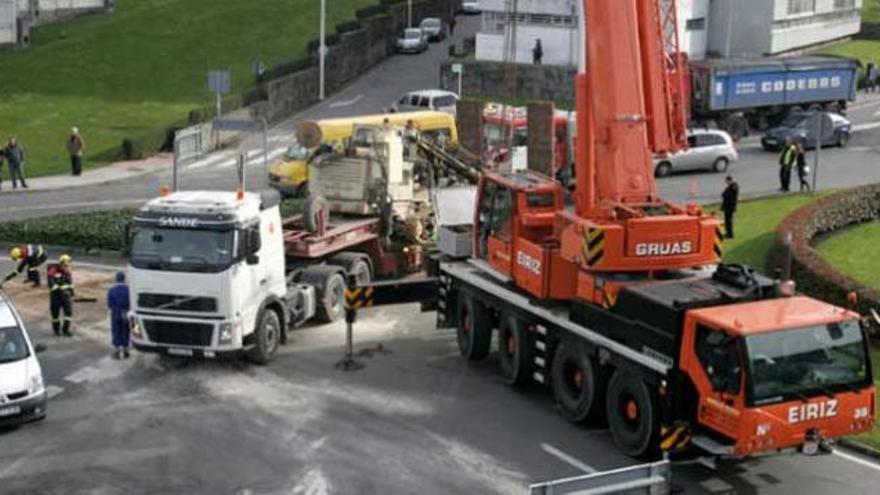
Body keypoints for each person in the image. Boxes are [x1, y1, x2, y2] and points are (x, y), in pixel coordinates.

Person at [47, 254, 75, 337]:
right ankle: (56, 330)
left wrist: (72, 293)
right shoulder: (53, 270)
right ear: (61, 264)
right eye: (65, 265)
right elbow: (51, 284)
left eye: (68, 265)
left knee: (68, 314)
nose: (66, 267)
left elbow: (70, 284)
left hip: (66, 297)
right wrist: (60, 290)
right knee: (55, 315)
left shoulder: (68, 272)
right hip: (55, 297)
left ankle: (65, 330)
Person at [107, 271, 131, 359]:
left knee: (116, 331)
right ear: (124, 279)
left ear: (116, 279)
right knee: (126, 331)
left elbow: (109, 304)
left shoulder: (112, 290)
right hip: (126, 312)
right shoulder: (128, 290)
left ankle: (116, 352)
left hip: (115, 312)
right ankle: (126, 351)